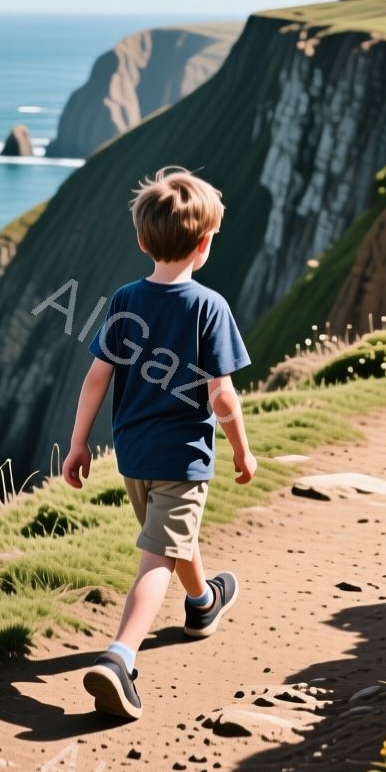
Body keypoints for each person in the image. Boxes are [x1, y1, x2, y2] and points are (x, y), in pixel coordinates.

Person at [60, 166, 257, 720]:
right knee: (156, 560)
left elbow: (96, 377)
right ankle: (120, 657)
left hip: (134, 457)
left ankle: (203, 603)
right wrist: (241, 448)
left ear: (144, 241)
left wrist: (78, 445)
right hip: (183, 459)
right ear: (204, 244)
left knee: (171, 537)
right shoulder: (208, 307)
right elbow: (222, 396)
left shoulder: (125, 299)